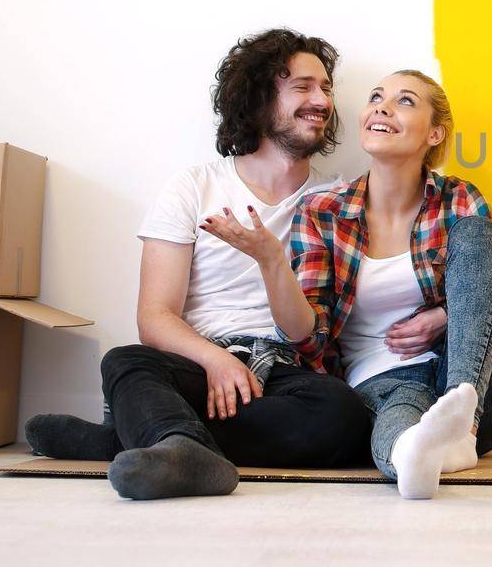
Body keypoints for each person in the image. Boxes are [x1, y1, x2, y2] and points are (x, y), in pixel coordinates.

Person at [200, 68, 492, 499]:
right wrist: (272, 261)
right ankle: (423, 456)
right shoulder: (322, 211)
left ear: (434, 134)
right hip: (380, 385)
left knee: (476, 232)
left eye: (405, 100)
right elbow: (307, 338)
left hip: (478, 389)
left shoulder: (459, 199)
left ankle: (463, 426)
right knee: (403, 428)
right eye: (376, 97)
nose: (382, 107)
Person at [24, 28, 372, 500]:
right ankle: (175, 444)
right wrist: (216, 359)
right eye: (303, 87)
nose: (322, 100)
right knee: (127, 361)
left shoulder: (334, 201)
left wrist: (271, 260)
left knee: (344, 415)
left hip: (284, 371)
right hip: (194, 366)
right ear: (258, 97)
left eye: (326, 88)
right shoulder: (193, 186)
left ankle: (143, 441)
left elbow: (307, 332)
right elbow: (155, 317)